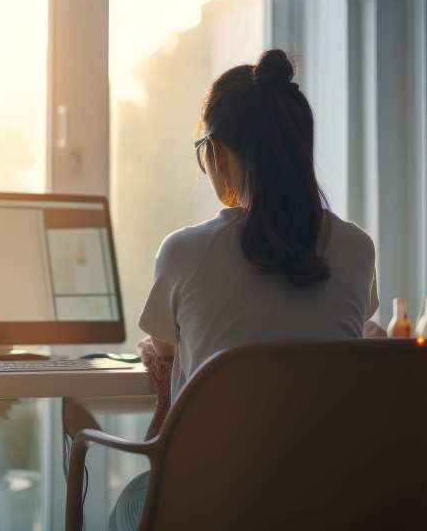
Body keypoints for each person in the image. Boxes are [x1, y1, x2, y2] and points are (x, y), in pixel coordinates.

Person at [108, 49, 379, 531]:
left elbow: (165, 351)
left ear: (214, 152)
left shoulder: (185, 252)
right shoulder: (358, 249)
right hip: (328, 503)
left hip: (211, 503)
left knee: (132, 500)